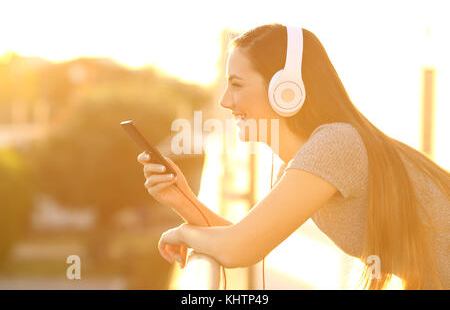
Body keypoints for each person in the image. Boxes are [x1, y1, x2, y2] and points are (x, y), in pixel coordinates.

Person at [137, 23, 449, 290]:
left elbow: (239, 248)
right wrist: (181, 199)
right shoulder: (304, 162)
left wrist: (181, 233)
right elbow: (245, 239)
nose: (225, 100)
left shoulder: (334, 145)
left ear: (285, 91)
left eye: (237, 85)